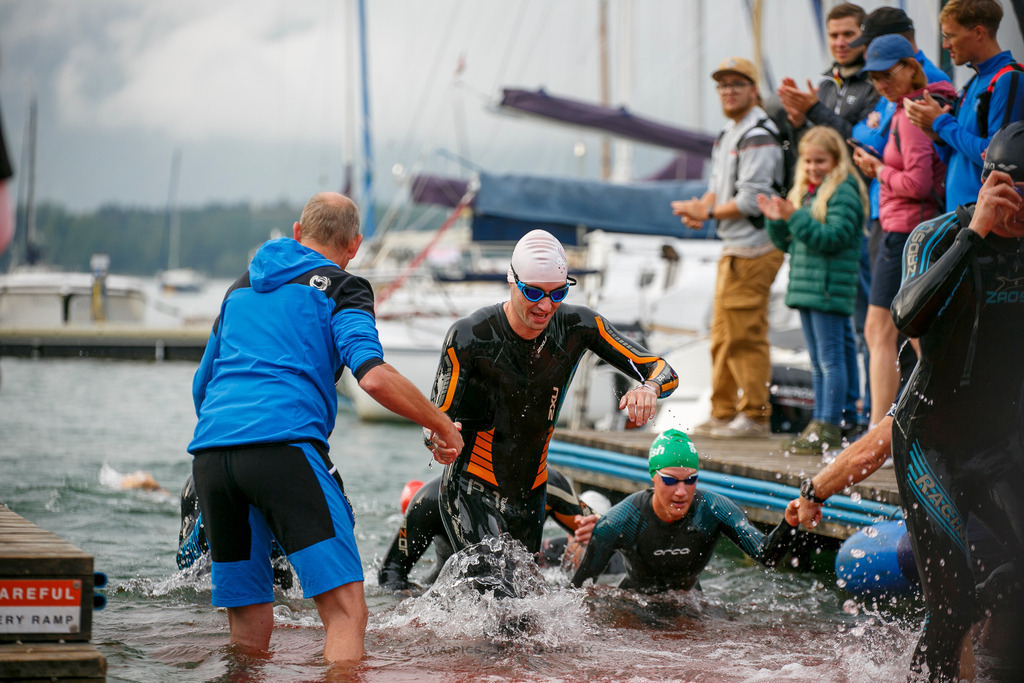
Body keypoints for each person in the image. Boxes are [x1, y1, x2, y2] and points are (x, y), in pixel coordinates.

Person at [187, 192, 464, 664]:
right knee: (345, 612)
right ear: (354, 245)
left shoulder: (239, 289)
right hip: (283, 450)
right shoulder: (343, 287)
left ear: (297, 232)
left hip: (212, 458)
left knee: (249, 621)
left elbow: (202, 386)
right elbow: (373, 376)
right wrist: (442, 424)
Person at [427, 228, 677, 589]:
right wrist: (436, 439)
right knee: (500, 595)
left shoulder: (578, 325)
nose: (545, 306)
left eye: (558, 293)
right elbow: (438, 415)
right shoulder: (470, 335)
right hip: (471, 489)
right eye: (533, 293)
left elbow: (662, 369)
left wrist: (649, 387)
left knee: (526, 608)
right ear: (512, 281)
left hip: (531, 493)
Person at [886, 121, 1024, 681]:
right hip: (929, 444)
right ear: (993, 183)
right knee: (953, 604)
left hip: (999, 443)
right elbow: (907, 315)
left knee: (975, 596)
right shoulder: (937, 235)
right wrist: (976, 234)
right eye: (1015, 201)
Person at [848, 7, 952, 431]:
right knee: (908, 332)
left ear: (910, 67)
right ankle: (911, 422)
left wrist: (878, 172)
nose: (880, 83)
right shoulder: (913, 104)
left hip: (903, 232)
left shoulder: (910, 112)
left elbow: (920, 182)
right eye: (873, 77)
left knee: (884, 331)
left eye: (887, 74)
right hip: (905, 230)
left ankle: (882, 430)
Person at [671, 56, 784, 439]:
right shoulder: (729, 132)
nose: (729, 91)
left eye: (737, 84)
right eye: (723, 85)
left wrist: (707, 213)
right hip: (735, 248)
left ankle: (754, 415)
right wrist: (702, 209)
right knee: (722, 334)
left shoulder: (758, 134)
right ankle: (722, 412)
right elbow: (718, 190)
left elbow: (753, 200)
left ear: (754, 90)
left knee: (744, 334)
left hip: (754, 249)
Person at [570, 429, 798, 593]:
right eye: (670, 481)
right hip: (634, 606)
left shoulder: (714, 509)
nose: (681, 492)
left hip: (688, 603)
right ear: (653, 476)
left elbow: (767, 556)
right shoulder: (620, 521)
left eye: (690, 480)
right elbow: (577, 593)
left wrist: (789, 523)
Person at [759, 126, 868, 454]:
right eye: (807, 161)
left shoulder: (844, 191)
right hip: (810, 288)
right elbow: (789, 242)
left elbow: (832, 237)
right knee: (820, 360)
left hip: (827, 288)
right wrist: (776, 220)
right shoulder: (808, 191)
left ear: (836, 159)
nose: (812, 167)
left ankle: (828, 426)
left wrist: (794, 217)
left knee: (828, 360)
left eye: (820, 160)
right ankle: (821, 423)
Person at [377, 468, 595, 590]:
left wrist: (593, 531)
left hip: (522, 589)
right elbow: (391, 574)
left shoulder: (549, 485)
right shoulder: (432, 498)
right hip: (447, 595)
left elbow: (606, 528)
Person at [904, 0, 1024, 212]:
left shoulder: (1008, 79)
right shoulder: (972, 83)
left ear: (978, 32)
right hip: (961, 217)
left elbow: (997, 161)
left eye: (950, 36)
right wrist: (935, 135)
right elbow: (955, 158)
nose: (945, 45)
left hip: (988, 222)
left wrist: (940, 123)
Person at [776, 3, 877, 143]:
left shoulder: (877, 84)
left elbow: (861, 143)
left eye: (848, 34)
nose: (840, 43)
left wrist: (813, 109)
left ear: (865, 36)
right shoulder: (826, 84)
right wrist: (799, 122)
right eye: (834, 36)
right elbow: (812, 150)